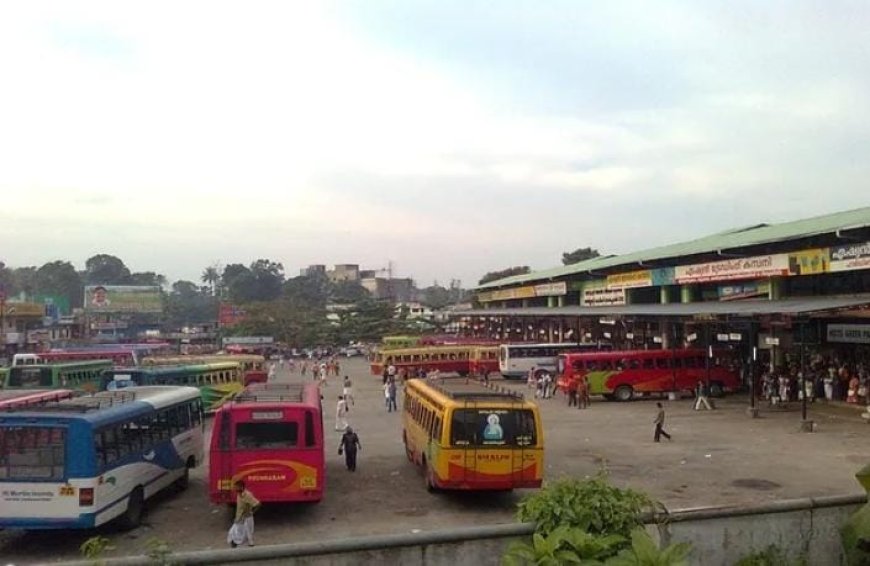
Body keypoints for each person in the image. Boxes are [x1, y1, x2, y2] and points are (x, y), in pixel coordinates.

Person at [227, 480, 260, 548]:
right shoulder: (239, 494)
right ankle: (235, 548)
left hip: (246, 519)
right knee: (233, 534)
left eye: (236, 487)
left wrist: (251, 512)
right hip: (239, 519)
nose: (235, 489)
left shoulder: (247, 495)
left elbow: (257, 504)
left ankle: (248, 549)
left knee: (247, 536)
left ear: (241, 487)